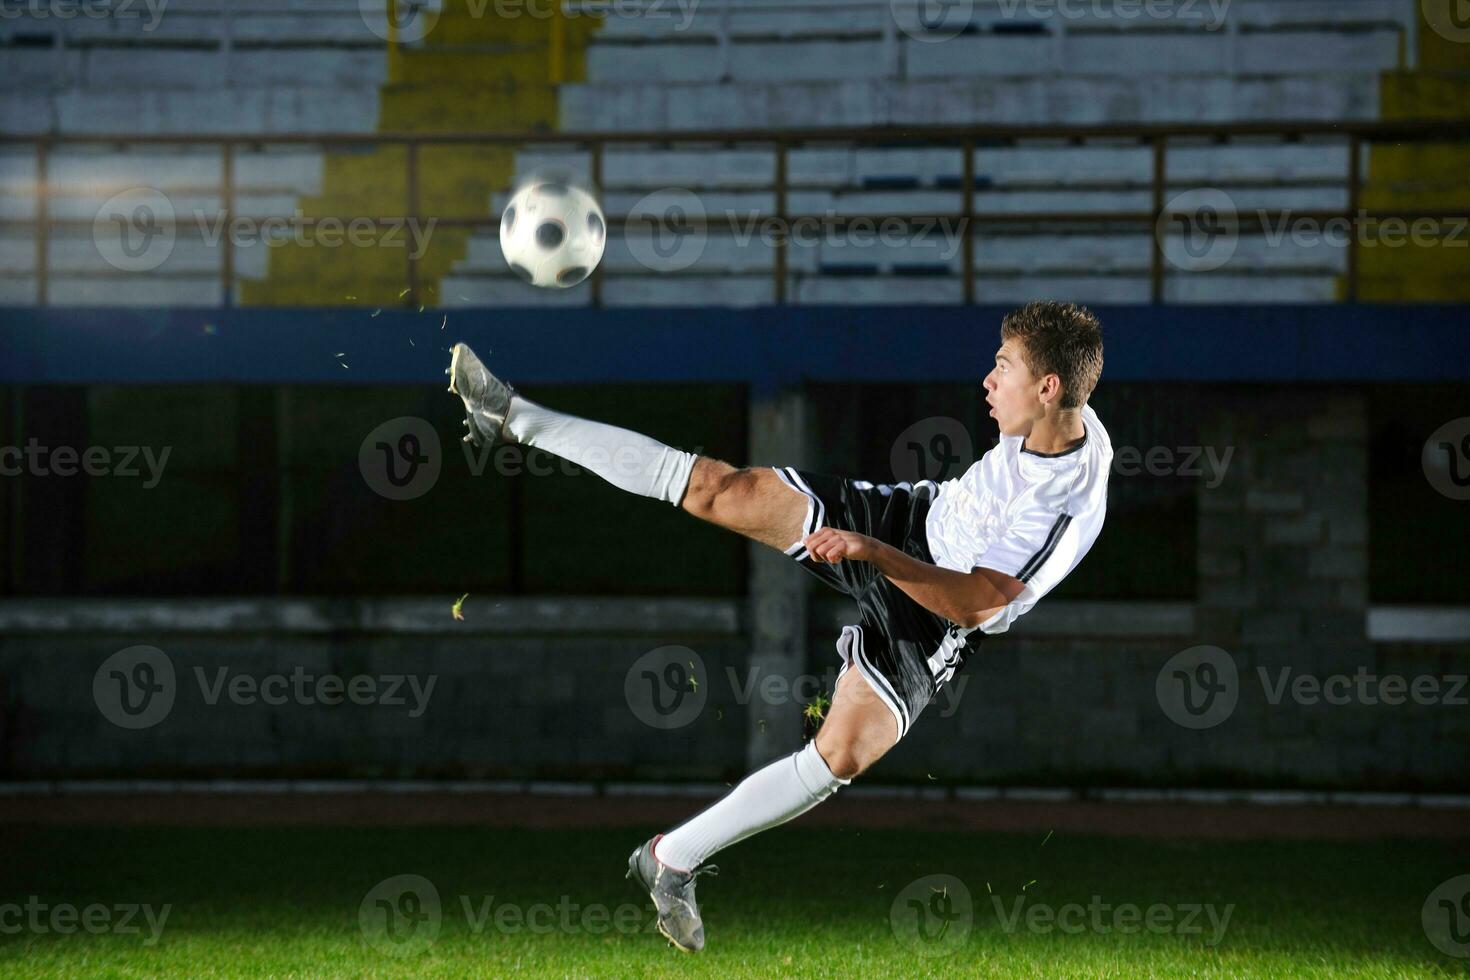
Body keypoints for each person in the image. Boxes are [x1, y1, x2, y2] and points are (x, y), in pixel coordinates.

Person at [445, 300, 1111, 953]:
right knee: (717, 488)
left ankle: (670, 860)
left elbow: (975, 605)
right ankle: (510, 415)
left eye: (1004, 366)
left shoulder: (1063, 504)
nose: (989, 380)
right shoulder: (1051, 414)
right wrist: (877, 540)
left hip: (935, 608)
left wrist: (871, 554)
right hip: (910, 521)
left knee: (840, 756)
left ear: (1048, 388)